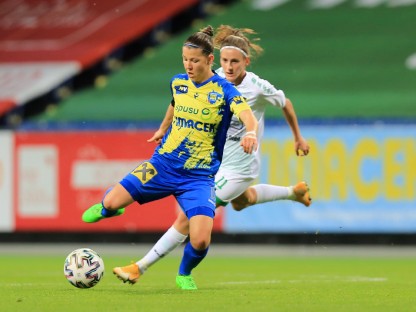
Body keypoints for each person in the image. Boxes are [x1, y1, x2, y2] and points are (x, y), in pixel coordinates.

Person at [110, 25, 311, 287]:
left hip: (239, 167)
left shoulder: (257, 86)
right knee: (241, 201)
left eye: (235, 62)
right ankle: (293, 192)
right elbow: (178, 100)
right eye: (225, 60)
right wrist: (164, 128)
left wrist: (298, 136)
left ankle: (140, 267)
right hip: (211, 163)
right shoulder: (212, 80)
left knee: (186, 218)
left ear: (246, 62)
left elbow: (286, 104)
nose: (228, 67)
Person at [81, 25, 259, 290]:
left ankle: (184, 273)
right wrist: (163, 128)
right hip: (162, 165)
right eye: (185, 59)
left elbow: (247, 115)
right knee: (110, 201)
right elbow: (175, 104)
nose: (189, 65)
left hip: (198, 177)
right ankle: (110, 208)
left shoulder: (224, 90)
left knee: (200, 240)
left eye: (194, 60)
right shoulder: (178, 82)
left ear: (210, 60)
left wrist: (252, 133)